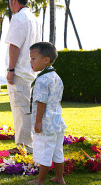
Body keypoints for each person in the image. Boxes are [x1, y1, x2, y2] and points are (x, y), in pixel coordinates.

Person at [5, 0, 41, 154]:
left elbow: (14, 45)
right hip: (30, 70)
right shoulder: (34, 18)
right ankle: (26, 143)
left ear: (14, 1)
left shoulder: (18, 18)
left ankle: (24, 145)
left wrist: (11, 69)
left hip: (19, 70)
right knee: (26, 108)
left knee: (21, 110)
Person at [27, 42, 66, 185]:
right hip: (57, 122)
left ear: (46, 60)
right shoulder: (56, 77)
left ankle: (40, 180)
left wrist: (38, 122)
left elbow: (41, 103)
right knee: (57, 151)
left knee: (45, 152)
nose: (30, 62)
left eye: (33, 58)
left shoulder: (42, 80)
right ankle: (59, 178)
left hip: (46, 123)